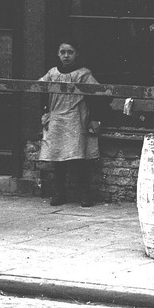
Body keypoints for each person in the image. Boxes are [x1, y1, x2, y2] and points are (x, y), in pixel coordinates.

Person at [36, 42, 103, 207]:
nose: (66, 56)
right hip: (57, 117)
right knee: (58, 157)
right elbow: (39, 87)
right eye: (63, 52)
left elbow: (97, 94)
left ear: (76, 54)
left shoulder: (83, 74)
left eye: (70, 52)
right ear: (58, 54)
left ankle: (85, 193)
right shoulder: (52, 73)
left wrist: (94, 117)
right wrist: (45, 111)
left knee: (79, 158)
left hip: (75, 117)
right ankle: (59, 192)